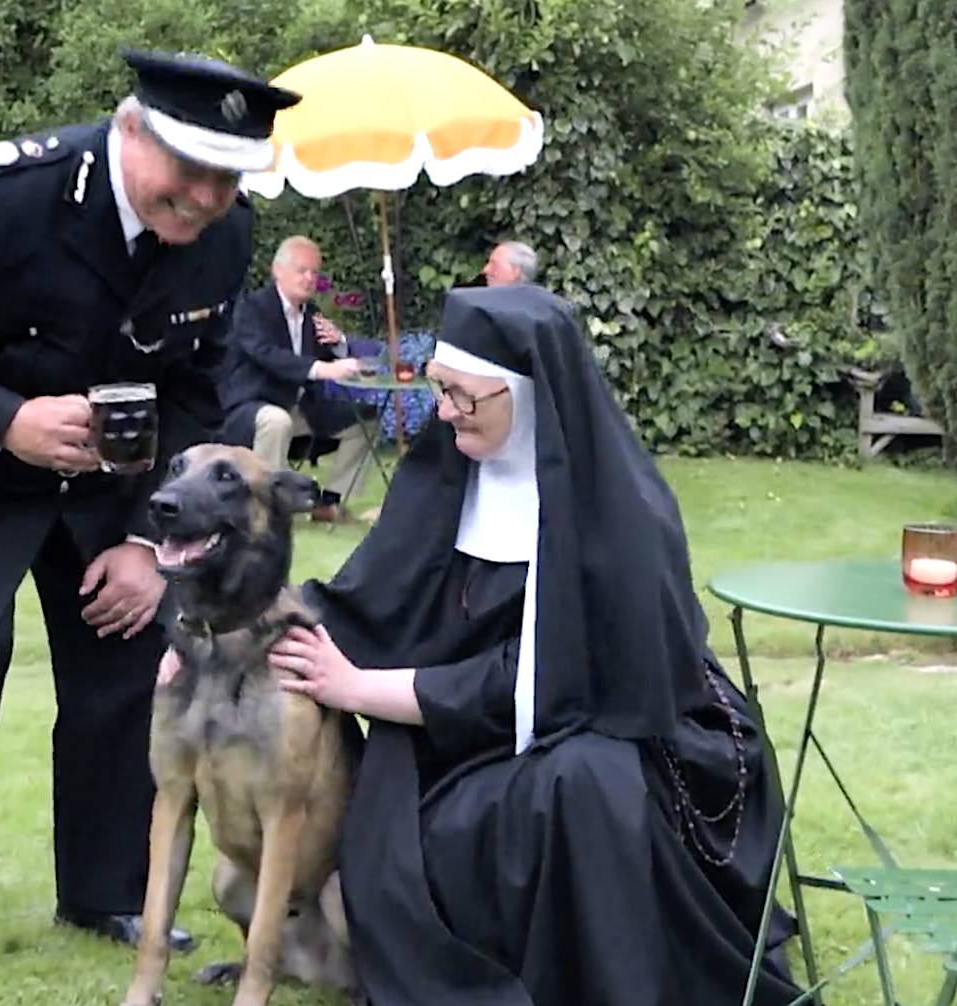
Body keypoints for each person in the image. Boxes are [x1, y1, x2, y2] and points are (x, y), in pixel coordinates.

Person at [0, 47, 301, 982]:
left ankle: (103, 891)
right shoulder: (7, 192)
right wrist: (7, 421)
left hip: (102, 484)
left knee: (119, 664)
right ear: (131, 131)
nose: (207, 197)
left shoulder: (224, 232)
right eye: (189, 171)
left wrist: (145, 540)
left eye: (227, 177)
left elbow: (196, 388)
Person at [265, 284, 803, 1005]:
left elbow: (558, 681)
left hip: (632, 726)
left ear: (530, 394)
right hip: (465, 746)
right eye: (441, 390)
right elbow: (364, 597)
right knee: (462, 822)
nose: (447, 411)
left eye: (466, 397)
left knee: (587, 786)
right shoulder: (446, 472)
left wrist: (359, 690)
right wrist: (233, 633)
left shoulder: (623, 514)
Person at [219, 235, 373, 522]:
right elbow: (265, 354)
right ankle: (266, 510)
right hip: (251, 406)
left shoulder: (311, 314)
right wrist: (323, 370)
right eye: (302, 270)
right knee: (276, 420)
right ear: (278, 271)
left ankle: (328, 503)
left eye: (315, 272)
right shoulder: (251, 307)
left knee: (366, 420)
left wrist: (339, 343)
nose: (309, 279)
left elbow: (328, 357)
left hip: (301, 408)